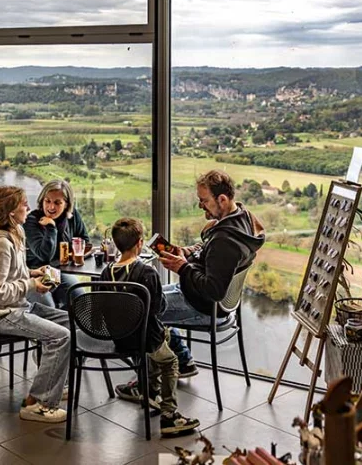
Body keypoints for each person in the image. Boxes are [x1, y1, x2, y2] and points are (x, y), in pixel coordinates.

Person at [0, 185, 70, 423]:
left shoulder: (14, 232)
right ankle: (37, 403)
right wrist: (31, 285)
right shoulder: (2, 244)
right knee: (60, 337)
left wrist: (33, 272)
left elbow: (12, 273)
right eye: (23, 204)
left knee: (67, 321)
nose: (29, 207)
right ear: (11, 211)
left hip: (16, 306)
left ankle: (54, 383)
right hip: (3, 314)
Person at [101, 217, 200, 436]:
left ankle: (149, 395)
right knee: (170, 360)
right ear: (139, 243)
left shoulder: (105, 273)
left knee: (153, 355)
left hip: (121, 338)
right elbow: (159, 309)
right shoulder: (147, 273)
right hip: (147, 338)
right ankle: (169, 416)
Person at [160, 170, 265, 367]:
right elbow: (208, 250)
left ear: (222, 199)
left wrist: (182, 268)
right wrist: (187, 252)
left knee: (141, 309)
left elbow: (213, 291)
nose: (201, 206)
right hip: (197, 295)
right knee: (146, 297)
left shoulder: (225, 241)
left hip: (203, 306)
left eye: (204, 200)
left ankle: (151, 382)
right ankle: (182, 360)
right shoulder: (243, 217)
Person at [24, 179, 91, 309]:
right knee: (49, 309)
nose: (51, 207)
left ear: (66, 204)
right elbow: (44, 256)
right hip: (36, 273)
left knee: (82, 302)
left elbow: (84, 241)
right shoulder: (32, 221)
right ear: (41, 200)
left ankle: (72, 328)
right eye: (47, 201)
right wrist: (51, 227)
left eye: (57, 202)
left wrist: (69, 254)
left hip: (59, 273)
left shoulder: (72, 216)